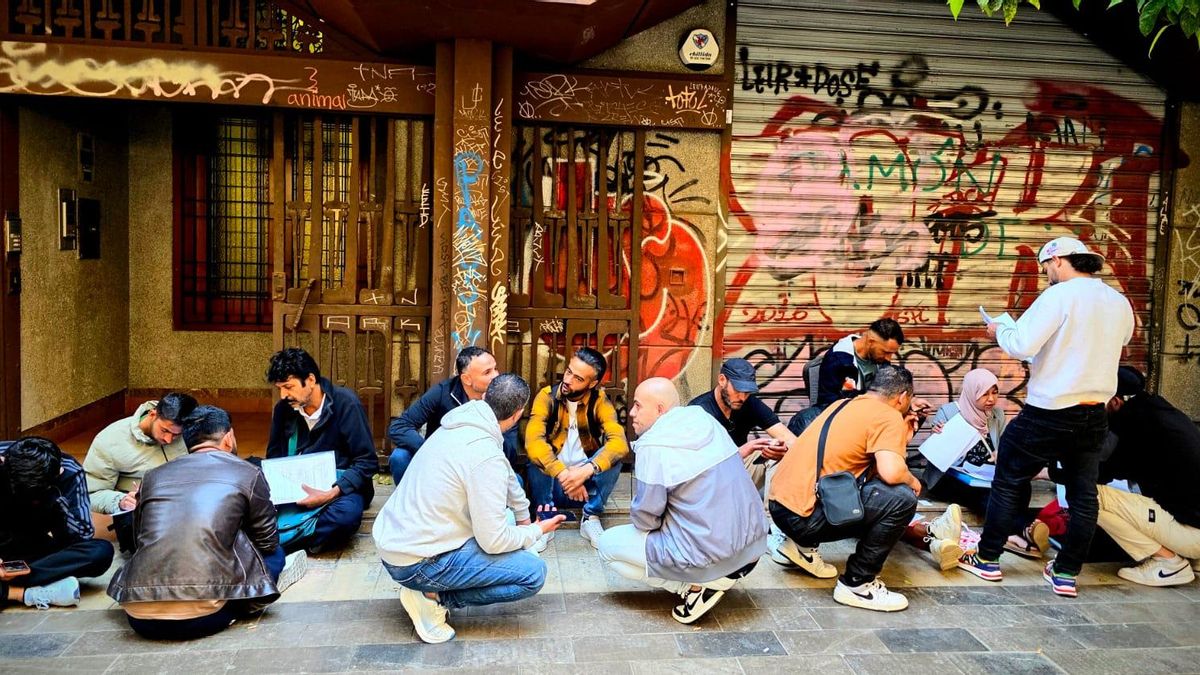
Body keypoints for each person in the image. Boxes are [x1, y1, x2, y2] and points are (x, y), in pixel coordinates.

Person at [962, 237, 1134, 598]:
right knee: (1084, 495)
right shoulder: (1118, 301)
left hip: (1050, 410)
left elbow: (1023, 345)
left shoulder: (1059, 296)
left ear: (1057, 260)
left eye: (1045, 269)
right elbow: (1125, 338)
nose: (1046, 277)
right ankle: (1067, 573)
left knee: (1008, 477)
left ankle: (988, 558)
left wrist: (1000, 331)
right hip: (1094, 414)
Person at [373, 374, 565, 644]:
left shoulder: (464, 423)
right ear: (519, 413)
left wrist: (523, 518)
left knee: (509, 521)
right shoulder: (484, 455)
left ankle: (429, 588)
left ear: (485, 396)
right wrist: (536, 530)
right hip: (416, 562)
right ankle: (433, 598)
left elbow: (508, 476)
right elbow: (494, 541)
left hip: (398, 543)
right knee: (533, 573)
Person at [109, 406, 296, 640]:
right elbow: (267, 542)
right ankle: (237, 606)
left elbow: (140, 539)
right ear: (228, 437)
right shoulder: (248, 473)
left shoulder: (152, 476)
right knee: (274, 553)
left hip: (139, 617)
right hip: (205, 617)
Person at [599, 378, 767, 624]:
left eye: (637, 405)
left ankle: (694, 589)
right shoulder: (705, 419)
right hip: (753, 548)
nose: (631, 412)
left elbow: (645, 519)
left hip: (712, 557)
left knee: (607, 546)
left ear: (660, 409)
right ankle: (709, 581)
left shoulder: (653, 445)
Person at [769, 365, 923, 612]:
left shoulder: (841, 405)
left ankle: (802, 548)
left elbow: (860, 468)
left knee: (879, 489)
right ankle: (858, 584)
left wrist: (900, 441)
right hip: (804, 518)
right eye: (911, 399)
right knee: (902, 498)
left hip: (780, 509)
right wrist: (915, 481)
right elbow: (892, 473)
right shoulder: (889, 415)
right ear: (903, 397)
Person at [265, 348, 378, 554]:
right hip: (297, 486)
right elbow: (274, 458)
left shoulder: (346, 404)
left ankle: (285, 541)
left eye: (288, 387)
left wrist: (331, 493)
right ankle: (308, 540)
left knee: (346, 516)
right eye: (280, 388)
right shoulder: (284, 410)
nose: (283, 395)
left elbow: (367, 462)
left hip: (338, 488)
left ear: (310, 379)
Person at [1096, 366, 1200, 586]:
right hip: (1194, 526)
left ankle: (1169, 562)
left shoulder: (1130, 422)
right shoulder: (1159, 409)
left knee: (1087, 496)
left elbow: (1099, 474)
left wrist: (1049, 471)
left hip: (1192, 535)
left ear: (1115, 402)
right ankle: (1193, 557)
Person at [526, 347, 629, 549]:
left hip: (586, 488)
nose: (568, 380)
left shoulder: (599, 401)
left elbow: (619, 442)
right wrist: (567, 476)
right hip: (553, 483)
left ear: (592, 383)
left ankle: (590, 516)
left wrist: (584, 472)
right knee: (537, 455)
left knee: (615, 456)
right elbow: (533, 441)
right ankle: (546, 516)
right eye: (569, 372)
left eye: (578, 378)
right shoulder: (547, 396)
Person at [0, 437, 114, 610]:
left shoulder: (68, 472)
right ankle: (21, 593)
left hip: (32, 545)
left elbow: (82, 535)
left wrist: (57, 497)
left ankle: (12, 582)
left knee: (100, 552)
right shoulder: (5, 461)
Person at [386, 346, 519, 485]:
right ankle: (411, 503)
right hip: (440, 465)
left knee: (517, 481)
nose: (496, 376)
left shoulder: (504, 397)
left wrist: (496, 425)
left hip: (480, 467)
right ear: (466, 379)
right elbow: (399, 426)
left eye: (495, 369)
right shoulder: (443, 392)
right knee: (400, 457)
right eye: (487, 372)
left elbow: (510, 456)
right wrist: (429, 451)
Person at [83, 392, 198, 516]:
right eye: (164, 430)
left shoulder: (193, 431)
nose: (168, 439)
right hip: (142, 511)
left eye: (176, 435)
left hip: (186, 504)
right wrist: (120, 501)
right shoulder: (110, 440)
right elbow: (90, 494)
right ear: (152, 414)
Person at [814, 318, 905, 408]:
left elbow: (891, 389)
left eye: (891, 353)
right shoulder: (838, 360)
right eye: (885, 352)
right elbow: (827, 403)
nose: (888, 358)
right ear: (870, 342)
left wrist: (909, 401)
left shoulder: (880, 359)